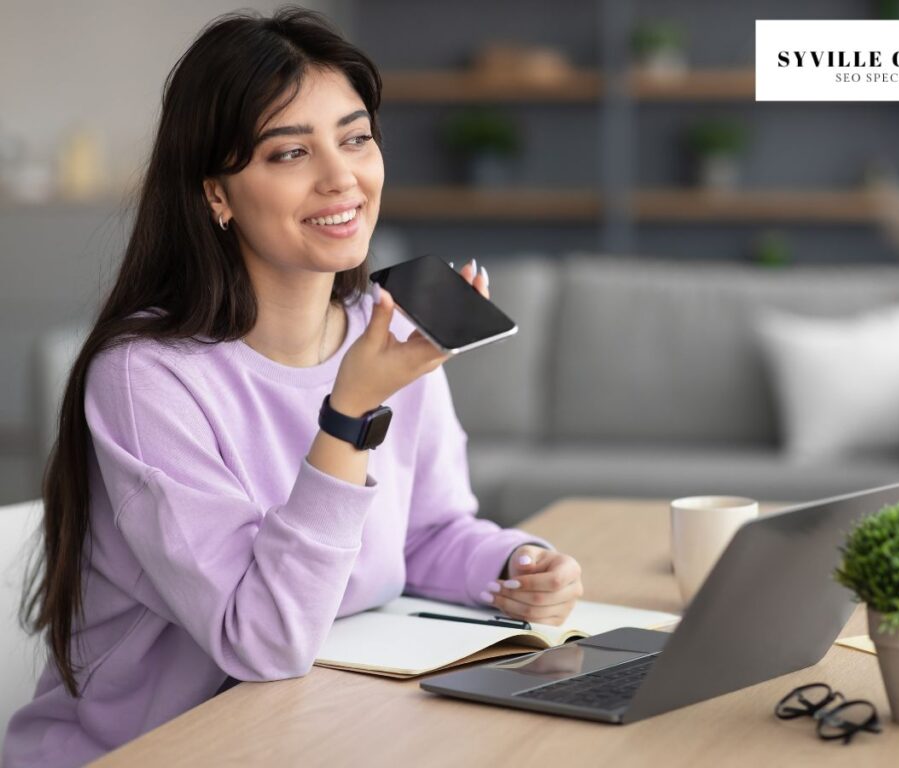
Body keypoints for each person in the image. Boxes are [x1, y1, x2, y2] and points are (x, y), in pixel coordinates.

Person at [5, 8, 584, 766]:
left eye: (355, 138)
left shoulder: (381, 333)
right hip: (153, 752)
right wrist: (348, 414)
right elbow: (264, 638)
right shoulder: (147, 378)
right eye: (289, 153)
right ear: (217, 195)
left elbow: (429, 532)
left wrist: (518, 566)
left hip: (319, 725)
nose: (341, 177)